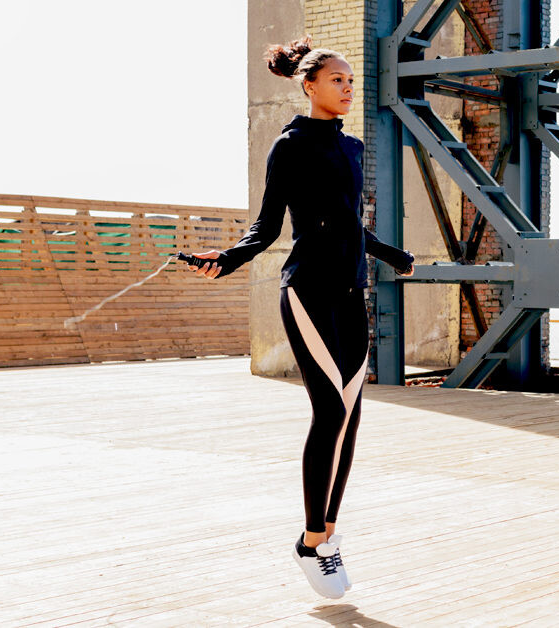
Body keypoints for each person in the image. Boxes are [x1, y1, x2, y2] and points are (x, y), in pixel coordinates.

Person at [186, 35, 415, 600]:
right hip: (308, 291)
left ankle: (327, 536)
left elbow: (348, 221)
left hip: (352, 292)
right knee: (330, 410)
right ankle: (311, 541)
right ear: (308, 85)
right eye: (337, 80)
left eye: (351, 80)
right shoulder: (289, 146)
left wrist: (390, 254)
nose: (348, 87)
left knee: (351, 417)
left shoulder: (353, 148)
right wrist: (227, 259)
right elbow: (267, 226)